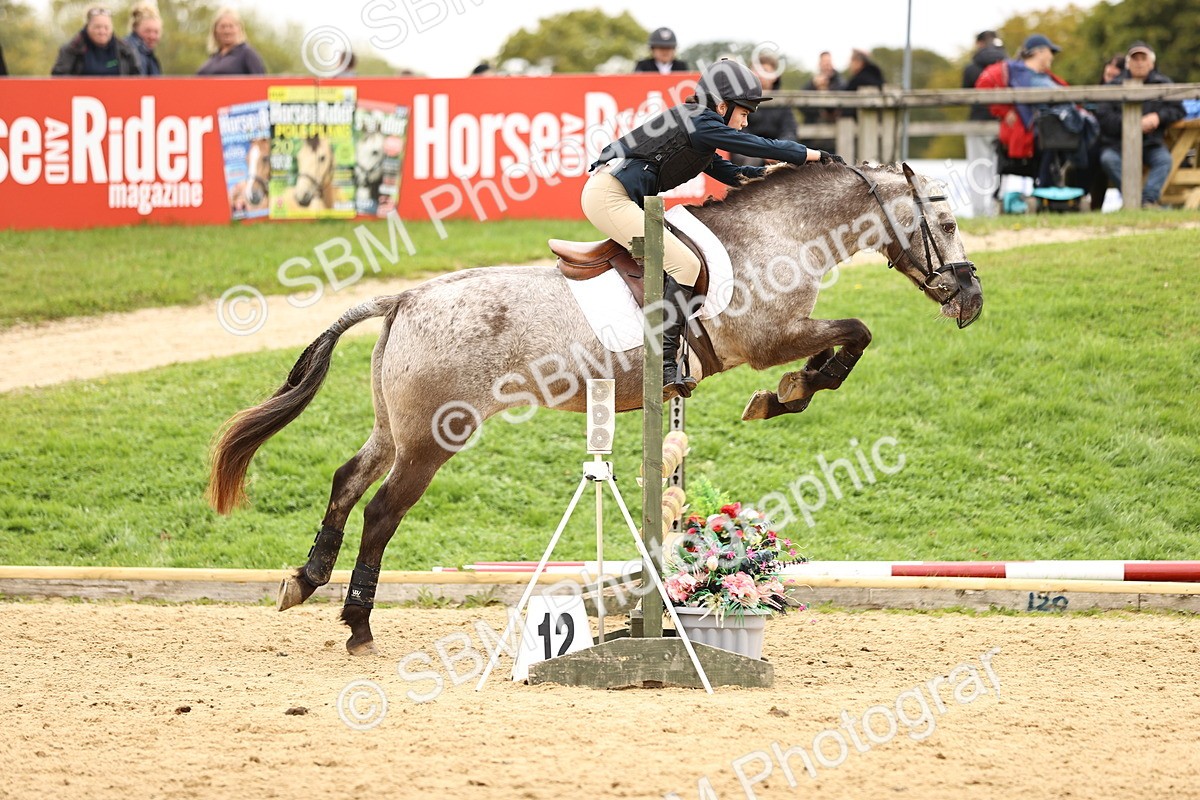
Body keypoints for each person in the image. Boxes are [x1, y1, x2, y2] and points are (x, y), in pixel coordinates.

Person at [585, 60, 842, 399]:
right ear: (722, 105)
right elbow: (757, 146)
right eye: (744, 112)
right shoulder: (699, 123)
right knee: (685, 265)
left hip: (620, 198)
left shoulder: (699, 133)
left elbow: (737, 175)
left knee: (687, 258)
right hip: (610, 199)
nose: (746, 121)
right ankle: (662, 363)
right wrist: (807, 154)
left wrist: (780, 177)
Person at [1095, 42, 1186, 208]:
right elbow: (1104, 116)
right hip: (1118, 143)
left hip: (1150, 143)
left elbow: (1178, 110)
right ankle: (1136, 200)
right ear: (1128, 63)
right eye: (1135, 58)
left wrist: (1158, 117)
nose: (1139, 62)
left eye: (1143, 58)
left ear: (1151, 63)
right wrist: (1133, 124)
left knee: (1164, 160)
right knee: (1108, 159)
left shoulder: (1163, 84)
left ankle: (1148, 200)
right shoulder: (1113, 86)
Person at [975, 34, 1069, 185]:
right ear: (1040, 52)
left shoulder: (1046, 76)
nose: (1052, 56)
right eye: (1051, 52)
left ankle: (1056, 192)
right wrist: (1004, 111)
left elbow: (1069, 97)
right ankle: (1045, 192)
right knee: (1053, 140)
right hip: (1027, 134)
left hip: (1052, 131)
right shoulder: (1009, 69)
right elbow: (983, 85)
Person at [961, 31, 1007, 217]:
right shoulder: (1008, 66)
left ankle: (979, 211)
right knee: (999, 168)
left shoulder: (971, 68)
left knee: (978, 169)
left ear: (980, 43)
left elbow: (964, 96)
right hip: (1002, 123)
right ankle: (995, 209)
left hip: (978, 122)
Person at [731, 52, 799, 167]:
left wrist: (778, 151)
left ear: (775, 76)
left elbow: (789, 131)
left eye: (765, 71)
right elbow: (738, 131)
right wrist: (763, 152)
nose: (761, 75)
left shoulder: (783, 101)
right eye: (757, 71)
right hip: (749, 151)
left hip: (777, 151)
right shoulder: (740, 99)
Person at [51, 7, 140, 75]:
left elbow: (136, 77)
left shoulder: (126, 50)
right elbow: (59, 77)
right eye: (97, 27)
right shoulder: (72, 50)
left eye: (106, 27)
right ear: (87, 27)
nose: (102, 31)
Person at [196, 7, 266, 75]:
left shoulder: (247, 54)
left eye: (231, 26)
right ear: (215, 31)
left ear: (239, 29)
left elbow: (260, 82)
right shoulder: (214, 57)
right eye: (222, 27)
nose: (227, 31)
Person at [800, 52, 845, 152]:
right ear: (819, 64)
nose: (826, 66)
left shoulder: (840, 82)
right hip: (812, 138)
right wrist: (814, 85)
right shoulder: (811, 83)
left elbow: (839, 104)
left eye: (828, 62)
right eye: (824, 63)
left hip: (834, 137)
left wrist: (825, 90)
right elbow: (801, 104)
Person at [125, 2, 162, 76]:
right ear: (135, 28)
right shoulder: (128, 51)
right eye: (147, 31)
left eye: (156, 32)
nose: (152, 36)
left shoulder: (148, 54)